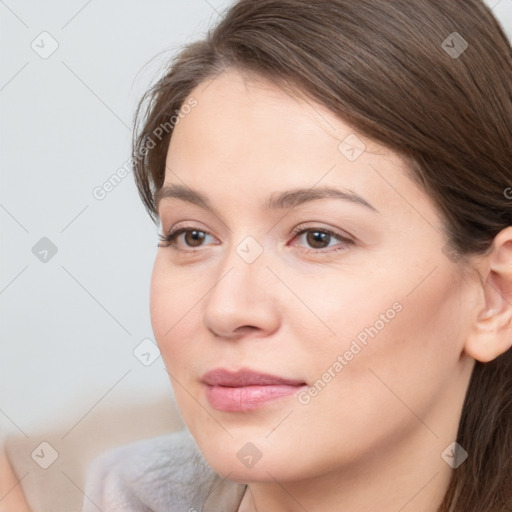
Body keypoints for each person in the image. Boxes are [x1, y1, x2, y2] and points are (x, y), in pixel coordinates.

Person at [82, 0, 512, 510]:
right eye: (193, 236)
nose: (227, 310)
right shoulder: (132, 493)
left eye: (317, 238)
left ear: (494, 297)